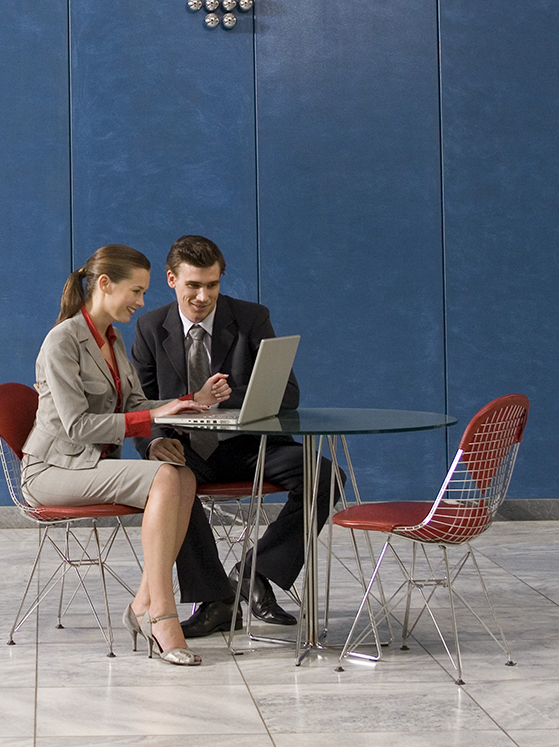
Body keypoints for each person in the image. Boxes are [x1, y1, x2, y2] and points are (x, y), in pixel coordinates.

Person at [22, 244, 231, 666]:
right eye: (136, 291)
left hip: (92, 466)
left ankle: (142, 604)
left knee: (183, 475)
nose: (141, 302)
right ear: (104, 284)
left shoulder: (113, 340)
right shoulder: (62, 341)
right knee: (166, 477)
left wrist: (191, 401)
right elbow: (77, 427)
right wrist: (153, 416)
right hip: (52, 470)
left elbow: (136, 404)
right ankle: (161, 615)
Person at [130, 234, 339, 638]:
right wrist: (153, 442)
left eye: (212, 285)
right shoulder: (150, 327)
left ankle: (255, 572)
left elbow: (288, 394)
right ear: (171, 280)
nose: (203, 296)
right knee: (170, 482)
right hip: (186, 450)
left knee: (325, 475)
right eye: (193, 285)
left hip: (250, 447)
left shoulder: (251, 318)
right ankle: (216, 602)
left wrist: (222, 399)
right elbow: (139, 403)